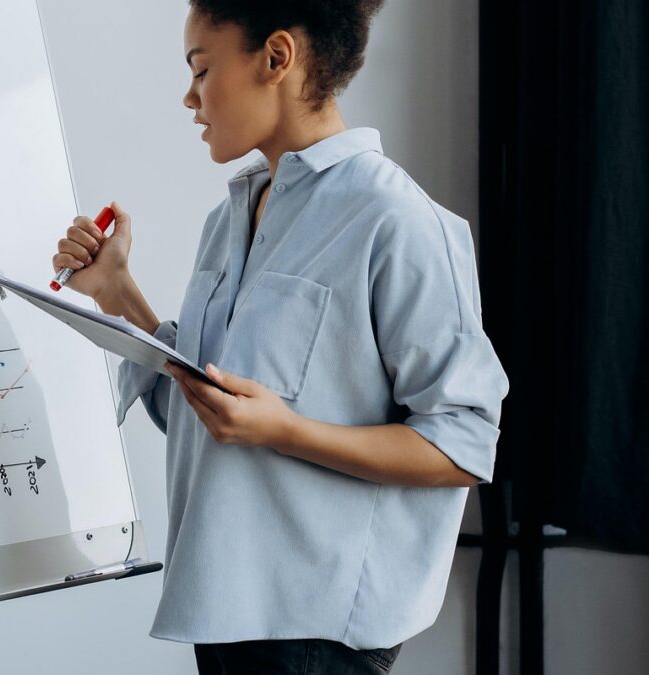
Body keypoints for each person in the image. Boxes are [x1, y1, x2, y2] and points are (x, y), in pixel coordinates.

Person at [51, 1, 509, 673]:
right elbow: (207, 415)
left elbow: (467, 442)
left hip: (317, 637)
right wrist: (118, 294)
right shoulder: (229, 216)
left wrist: (286, 429)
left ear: (276, 58)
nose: (189, 97)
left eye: (201, 70)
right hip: (225, 614)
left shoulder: (396, 220)